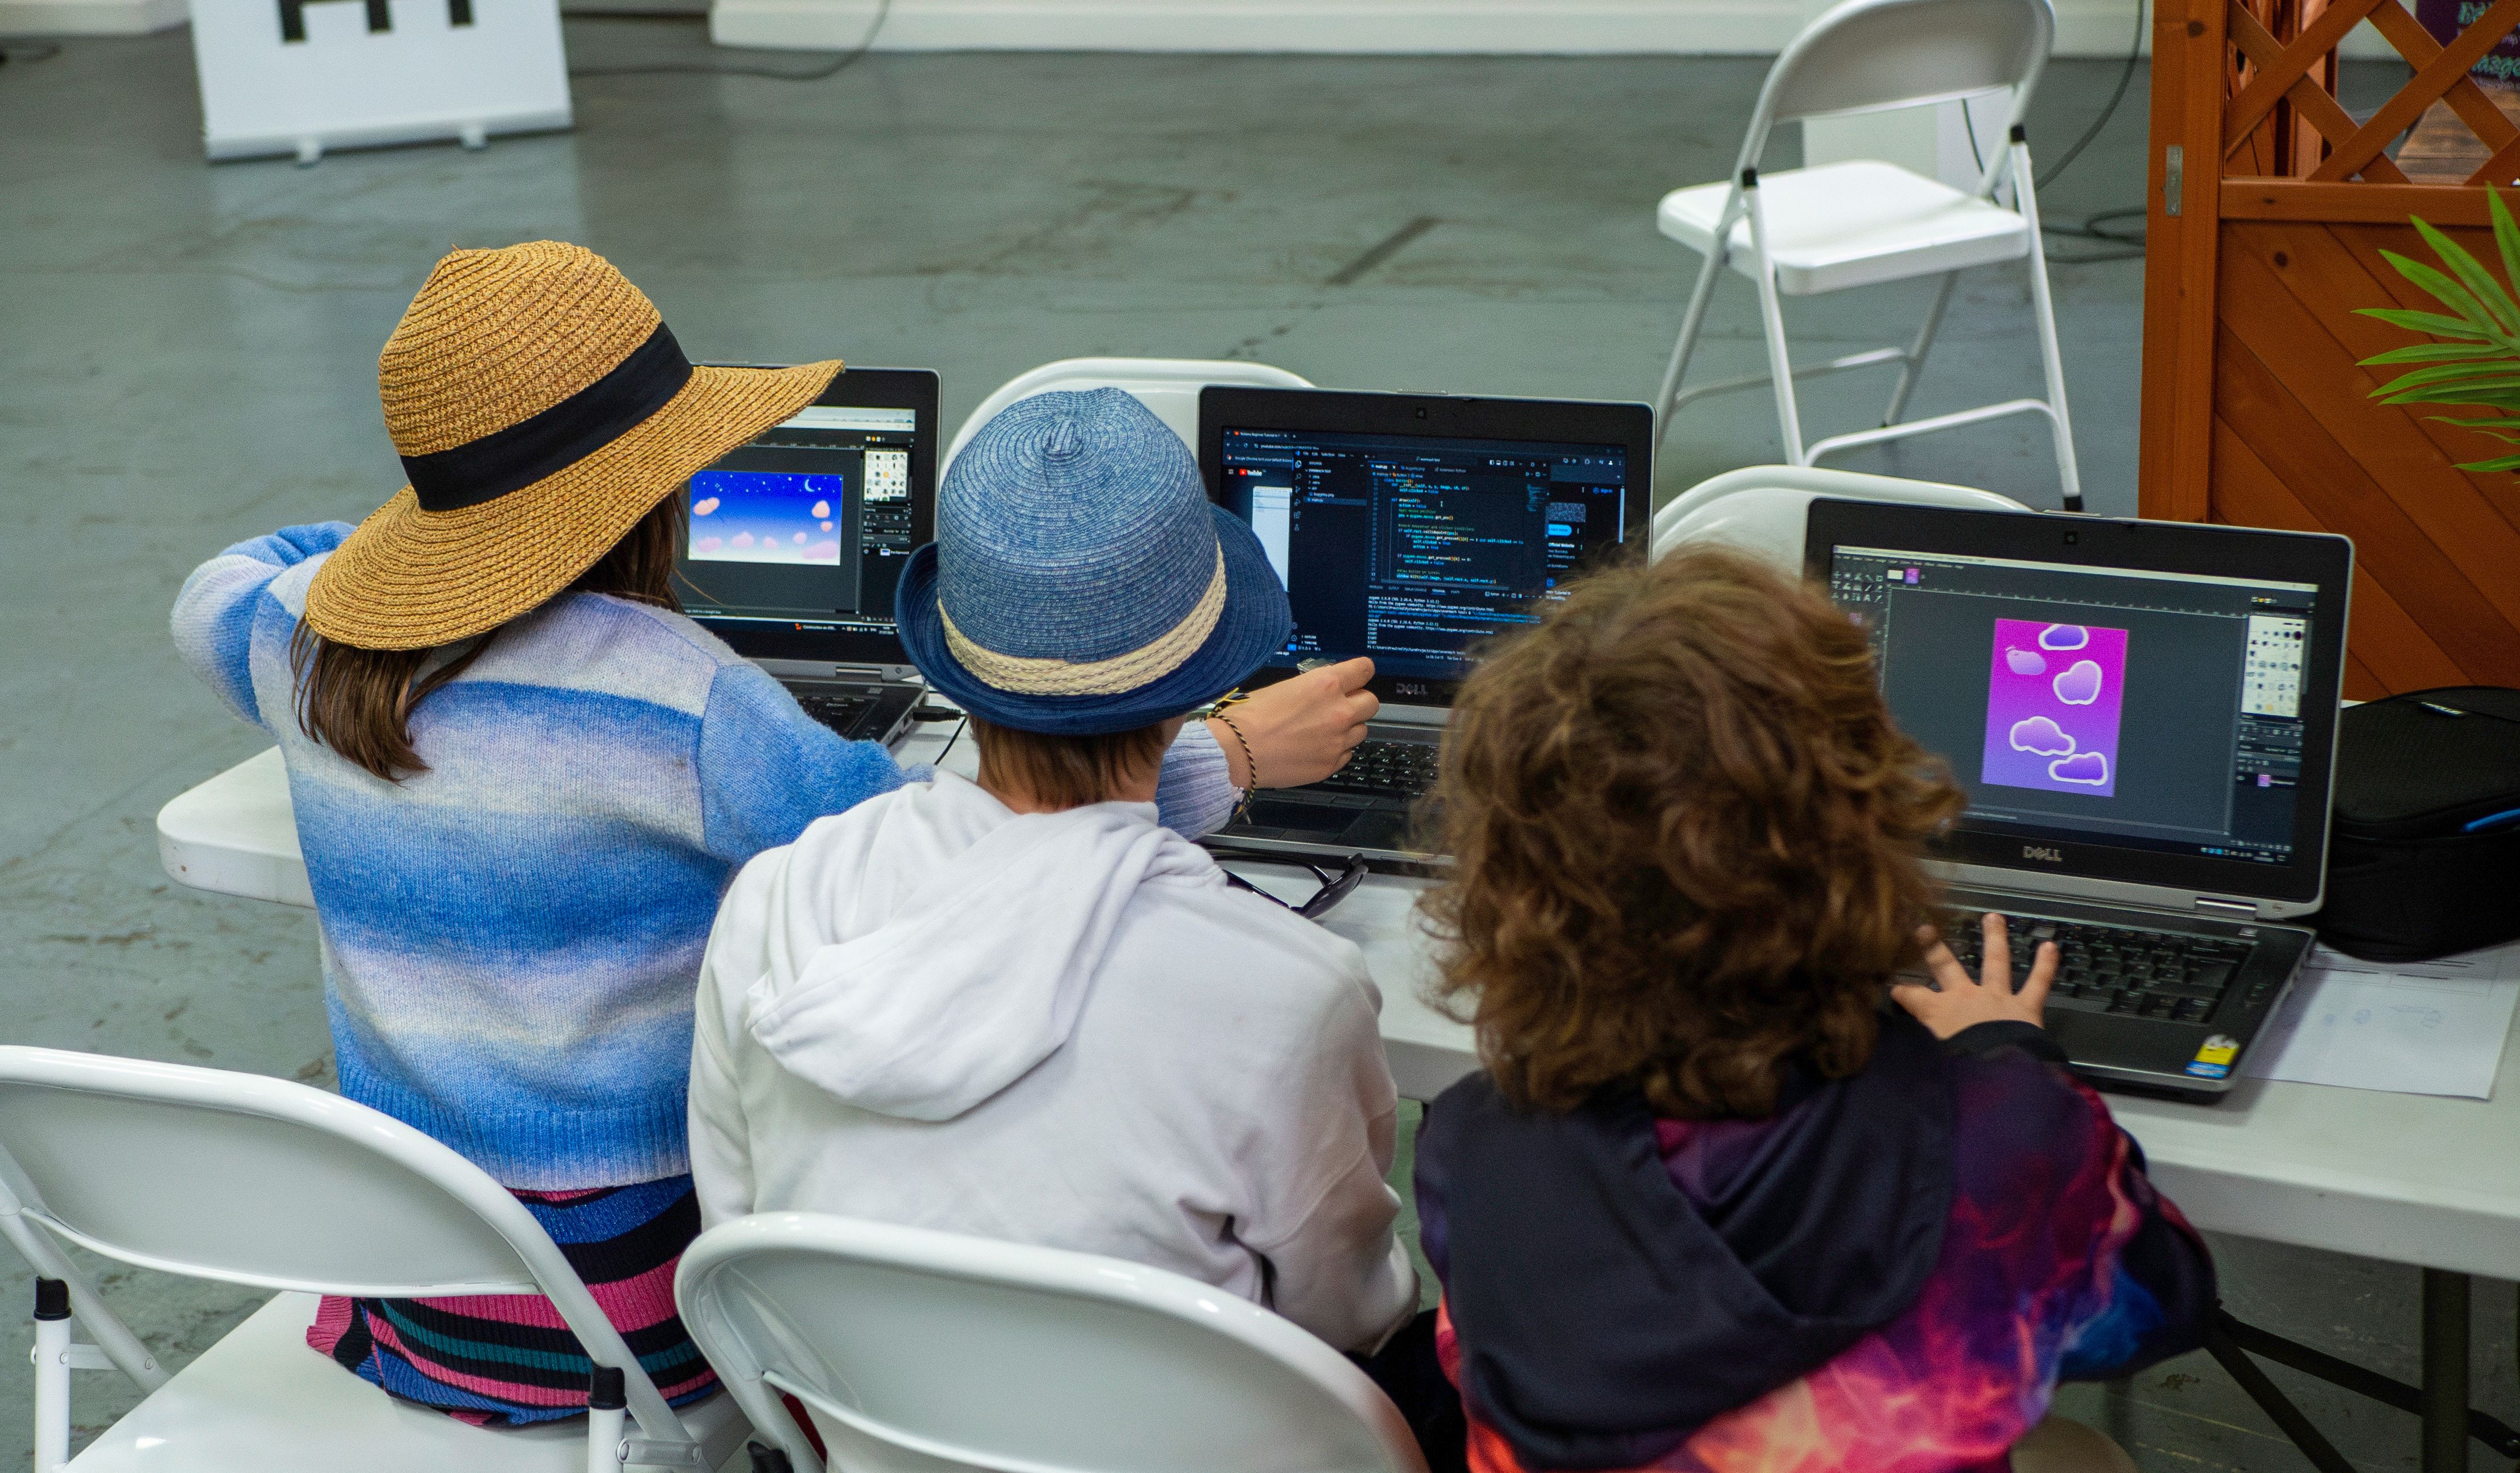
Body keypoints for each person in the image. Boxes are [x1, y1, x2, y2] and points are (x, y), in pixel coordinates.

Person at [168, 241, 1372, 1424]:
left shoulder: (295, 638)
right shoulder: (677, 693)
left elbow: (215, 585)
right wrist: (1229, 757)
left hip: (415, 1277)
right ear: (650, 489)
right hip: (622, 1316)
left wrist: (426, 545)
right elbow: (953, 840)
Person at [1410, 547, 2216, 1473]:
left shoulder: (1472, 1140)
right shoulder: (1999, 1142)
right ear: (1859, 830)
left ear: (1510, 873)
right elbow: (2162, 1308)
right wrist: (2006, 1058)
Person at [687, 388, 1421, 1384]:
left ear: (953, 665)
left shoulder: (775, 903)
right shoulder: (1292, 994)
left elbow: (742, 1239)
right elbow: (1346, 1320)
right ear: (1203, 679)